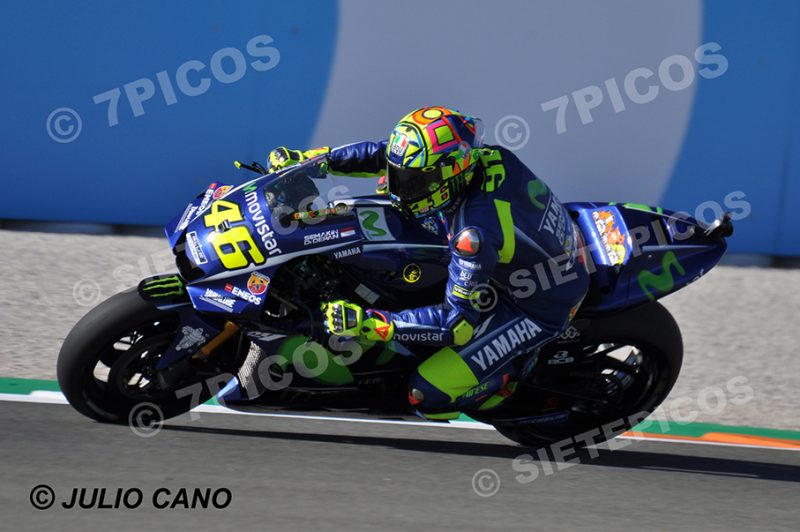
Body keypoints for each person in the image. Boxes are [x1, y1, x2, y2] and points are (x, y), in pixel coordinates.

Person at [266, 106, 589, 419]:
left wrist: (370, 324)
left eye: (413, 182)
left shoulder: (473, 234)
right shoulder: (482, 157)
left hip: (534, 303)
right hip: (530, 255)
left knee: (426, 394)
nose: (398, 187)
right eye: (400, 176)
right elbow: (383, 155)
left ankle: (514, 375)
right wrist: (313, 161)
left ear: (451, 174)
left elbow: (455, 325)